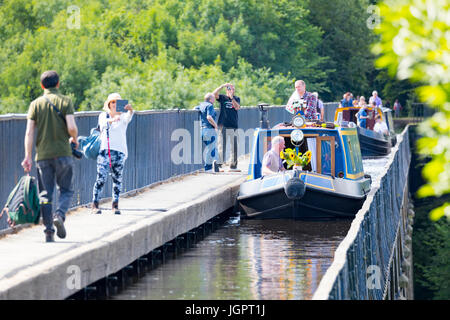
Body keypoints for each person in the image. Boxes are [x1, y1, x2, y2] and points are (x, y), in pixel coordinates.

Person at [21, 70, 79, 242]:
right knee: (66, 190)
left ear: (41, 85)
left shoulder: (35, 104)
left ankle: (48, 231)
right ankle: (59, 216)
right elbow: (72, 127)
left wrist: (27, 156)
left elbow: (29, 132)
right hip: (63, 153)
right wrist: (74, 139)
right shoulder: (65, 101)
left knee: (45, 194)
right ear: (58, 84)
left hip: (43, 155)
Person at [91, 93, 134, 215]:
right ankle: (95, 204)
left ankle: (115, 205)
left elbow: (129, 116)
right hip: (105, 151)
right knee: (101, 178)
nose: (114, 105)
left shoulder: (124, 117)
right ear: (109, 104)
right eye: (112, 102)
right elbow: (103, 124)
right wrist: (112, 119)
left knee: (117, 179)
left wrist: (130, 109)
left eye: (117, 102)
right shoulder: (103, 115)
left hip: (119, 151)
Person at [214, 83, 241, 172]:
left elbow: (237, 107)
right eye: (229, 89)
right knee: (221, 145)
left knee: (234, 146)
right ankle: (219, 165)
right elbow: (214, 94)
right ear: (226, 90)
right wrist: (221, 86)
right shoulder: (222, 98)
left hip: (233, 125)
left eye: (232, 89)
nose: (230, 90)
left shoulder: (236, 98)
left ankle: (233, 166)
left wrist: (231, 98)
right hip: (223, 124)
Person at [194, 93, 221, 172]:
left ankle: (211, 165)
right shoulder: (210, 106)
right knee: (212, 147)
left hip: (202, 130)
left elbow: (194, 108)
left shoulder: (201, 105)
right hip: (209, 130)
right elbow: (209, 117)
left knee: (210, 148)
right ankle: (211, 164)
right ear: (210, 99)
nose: (214, 100)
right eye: (213, 98)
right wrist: (215, 125)